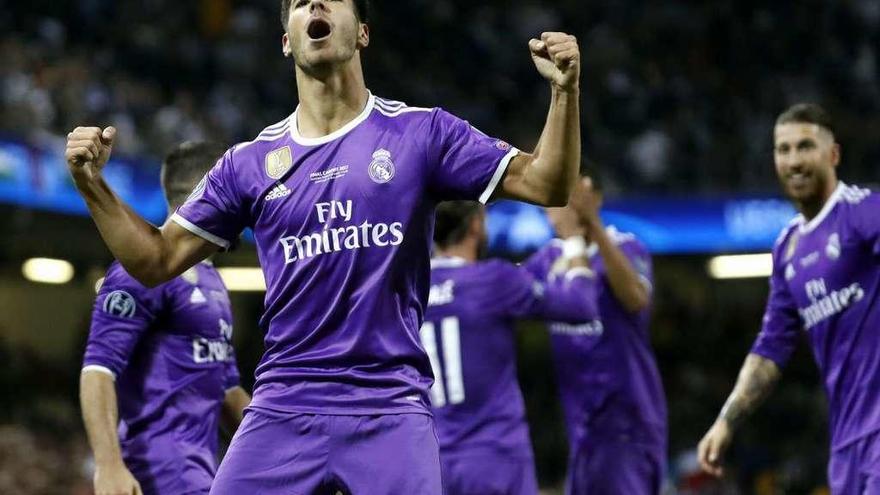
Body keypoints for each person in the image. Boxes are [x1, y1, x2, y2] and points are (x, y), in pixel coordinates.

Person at [65, 0, 582, 492]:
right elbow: (154, 261)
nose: (315, 7)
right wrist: (93, 186)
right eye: (300, 3)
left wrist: (564, 93)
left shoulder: (422, 133)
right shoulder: (248, 163)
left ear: (362, 32)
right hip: (281, 405)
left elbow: (546, 184)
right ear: (286, 41)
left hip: (390, 406)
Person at [697, 103, 880, 493]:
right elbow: (771, 348)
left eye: (805, 146)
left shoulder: (866, 213)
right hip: (847, 441)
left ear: (833, 154)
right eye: (784, 150)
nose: (794, 160)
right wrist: (726, 421)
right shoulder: (788, 249)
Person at [80, 141, 251, 495]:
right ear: (209, 191)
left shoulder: (212, 279)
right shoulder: (139, 274)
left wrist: (292, 450)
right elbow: (97, 370)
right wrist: (109, 466)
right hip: (153, 476)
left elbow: (228, 392)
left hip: (202, 476)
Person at [424, 201, 598, 495]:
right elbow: (581, 305)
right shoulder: (494, 279)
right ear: (476, 225)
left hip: (429, 463)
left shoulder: (407, 287)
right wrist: (573, 241)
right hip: (494, 456)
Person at [526, 177, 666, 494]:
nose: (565, 206)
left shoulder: (626, 247)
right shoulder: (546, 260)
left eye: (574, 196)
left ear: (595, 199)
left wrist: (593, 227)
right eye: (559, 198)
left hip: (627, 423)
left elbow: (636, 299)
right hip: (579, 427)